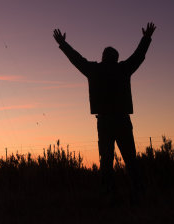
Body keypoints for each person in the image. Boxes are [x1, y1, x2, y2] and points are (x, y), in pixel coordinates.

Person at [53, 23, 156, 197]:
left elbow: (75, 58)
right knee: (130, 159)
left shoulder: (94, 70)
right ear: (116, 58)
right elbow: (139, 55)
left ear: (103, 57)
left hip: (105, 121)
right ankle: (138, 191)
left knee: (106, 160)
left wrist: (63, 44)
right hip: (122, 120)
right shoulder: (123, 69)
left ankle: (109, 193)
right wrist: (146, 38)